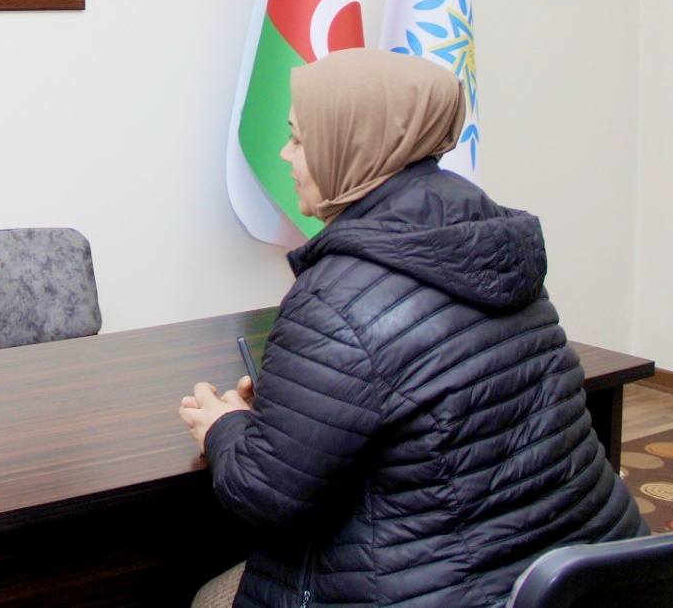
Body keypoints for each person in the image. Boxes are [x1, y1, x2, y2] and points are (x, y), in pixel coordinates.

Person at [180, 50, 647, 608]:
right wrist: (295, 408)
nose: (284, 154)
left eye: (298, 139)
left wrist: (225, 427)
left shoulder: (336, 297)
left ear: (352, 147)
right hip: (590, 576)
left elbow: (266, 496)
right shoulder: (490, 241)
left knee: (205, 596)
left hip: (446, 591)